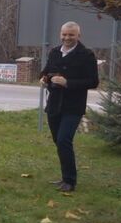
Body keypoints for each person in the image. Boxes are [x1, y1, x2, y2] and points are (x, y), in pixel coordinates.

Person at [39, 21, 99, 193]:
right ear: (60, 34)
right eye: (64, 34)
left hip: (73, 106)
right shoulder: (55, 52)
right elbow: (46, 71)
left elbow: (93, 81)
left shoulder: (86, 55)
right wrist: (43, 78)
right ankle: (65, 177)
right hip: (54, 105)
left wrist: (68, 83)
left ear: (78, 36)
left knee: (64, 140)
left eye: (71, 35)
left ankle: (70, 181)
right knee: (59, 141)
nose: (67, 38)